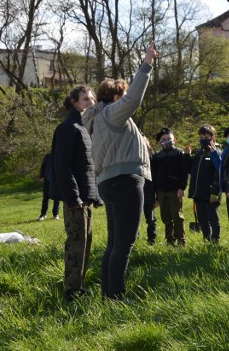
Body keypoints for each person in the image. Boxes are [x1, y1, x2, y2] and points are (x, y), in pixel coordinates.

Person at [82, 41, 157, 301]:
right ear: (115, 98)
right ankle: (115, 294)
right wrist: (146, 65)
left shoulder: (102, 120)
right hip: (125, 182)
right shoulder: (113, 113)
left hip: (110, 183)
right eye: (121, 96)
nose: (125, 100)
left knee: (115, 241)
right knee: (124, 242)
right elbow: (134, 97)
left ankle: (108, 292)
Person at [50, 85, 98, 301]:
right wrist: (73, 198)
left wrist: (94, 196)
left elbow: (87, 166)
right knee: (76, 243)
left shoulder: (84, 127)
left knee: (86, 242)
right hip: (75, 200)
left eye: (92, 99)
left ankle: (79, 286)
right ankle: (71, 291)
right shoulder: (68, 128)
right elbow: (62, 166)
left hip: (85, 197)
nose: (90, 103)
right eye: (86, 99)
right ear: (75, 103)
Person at [151, 127, 189, 246]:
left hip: (175, 190)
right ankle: (169, 240)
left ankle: (181, 240)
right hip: (161, 191)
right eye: (163, 139)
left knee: (177, 215)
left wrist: (182, 187)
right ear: (159, 142)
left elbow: (184, 171)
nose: (166, 141)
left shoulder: (179, 153)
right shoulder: (157, 156)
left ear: (174, 140)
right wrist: (156, 194)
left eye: (169, 138)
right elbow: (154, 174)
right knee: (165, 217)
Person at [188, 124, 222, 242]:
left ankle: (215, 240)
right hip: (199, 192)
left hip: (211, 193)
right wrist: (187, 155)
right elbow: (190, 170)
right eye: (201, 138)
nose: (203, 140)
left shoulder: (217, 153)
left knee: (213, 218)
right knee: (202, 219)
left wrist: (215, 192)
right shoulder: (199, 154)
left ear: (213, 137)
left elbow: (219, 173)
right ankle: (206, 239)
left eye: (206, 137)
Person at [142, 135, 158, 245]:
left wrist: (157, 198)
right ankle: (134, 240)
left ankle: (152, 240)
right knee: (134, 220)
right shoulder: (133, 159)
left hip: (150, 195)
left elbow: (158, 180)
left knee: (151, 220)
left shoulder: (154, 161)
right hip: (135, 195)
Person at [38, 152, 60, 221]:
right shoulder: (47, 156)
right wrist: (41, 176)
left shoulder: (60, 155)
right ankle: (43, 214)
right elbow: (43, 166)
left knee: (57, 198)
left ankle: (55, 214)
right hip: (47, 179)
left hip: (56, 180)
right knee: (45, 198)